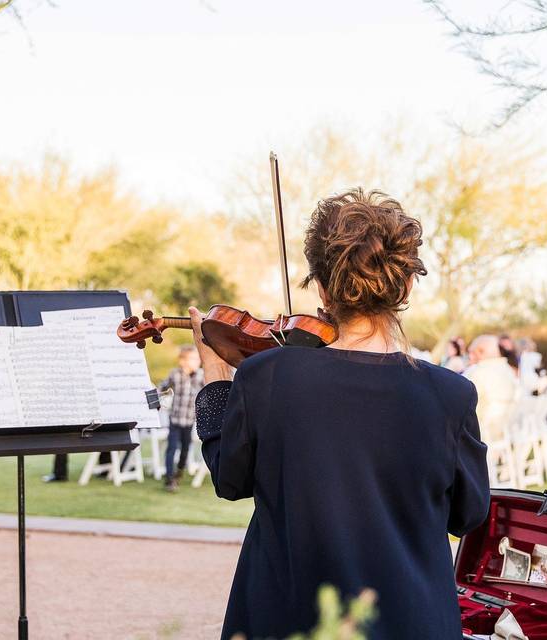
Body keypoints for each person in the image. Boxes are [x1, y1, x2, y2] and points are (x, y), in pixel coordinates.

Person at [191, 188, 490, 640]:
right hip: (410, 623)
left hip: (291, 620)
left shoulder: (266, 376)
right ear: (406, 286)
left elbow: (230, 481)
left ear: (324, 289)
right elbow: (468, 515)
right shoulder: (451, 394)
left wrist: (216, 380)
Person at [158, 345, 205, 492]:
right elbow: (162, 387)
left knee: (185, 448)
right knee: (172, 447)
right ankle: (169, 478)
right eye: (193, 359)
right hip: (175, 420)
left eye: (198, 359)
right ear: (183, 361)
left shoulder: (200, 376)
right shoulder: (175, 374)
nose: (197, 362)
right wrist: (158, 399)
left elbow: (206, 392)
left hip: (190, 420)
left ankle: (179, 472)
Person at [463, 334, 519, 445]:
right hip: (505, 429)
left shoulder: (478, 372)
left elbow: (461, 402)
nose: (468, 356)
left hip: (481, 432)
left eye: (470, 352)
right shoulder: (508, 370)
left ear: (480, 352)